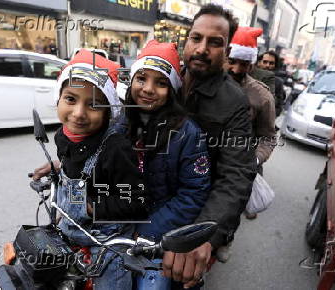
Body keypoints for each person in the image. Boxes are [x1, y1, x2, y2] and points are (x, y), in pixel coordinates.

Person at [33, 49, 149, 289]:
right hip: (70, 227)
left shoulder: (116, 149)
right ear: (59, 99)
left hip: (106, 240)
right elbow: (74, 166)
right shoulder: (63, 136)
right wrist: (58, 167)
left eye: (93, 105)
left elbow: (136, 202)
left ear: (108, 111)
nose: (78, 114)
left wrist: (91, 206)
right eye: (71, 99)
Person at [162, 4, 257, 289]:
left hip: (197, 212)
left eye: (215, 43)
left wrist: (204, 235)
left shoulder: (235, 102)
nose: (203, 49)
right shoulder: (165, 80)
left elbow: (237, 173)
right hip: (152, 199)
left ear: (227, 51)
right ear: (186, 41)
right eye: (196, 38)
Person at [114, 40, 211, 290]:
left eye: (161, 83)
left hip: (161, 236)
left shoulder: (188, 134)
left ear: (173, 91)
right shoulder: (119, 121)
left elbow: (193, 193)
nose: (148, 89)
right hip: (119, 229)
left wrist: (149, 230)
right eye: (142, 79)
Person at [225, 27, 276, 219]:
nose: (236, 69)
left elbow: (269, 138)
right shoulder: (204, 84)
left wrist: (253, 160)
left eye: (244, 64)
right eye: (231, 62)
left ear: (252, 64)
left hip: (235, 173)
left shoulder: (262, 96)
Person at [257, 50, 285, 116]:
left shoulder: (278, 83)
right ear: (259, 63)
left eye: (271, 63)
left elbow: (279, 107)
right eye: (265, 62)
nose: (267, 65)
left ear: (275, 66)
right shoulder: (251, 76)